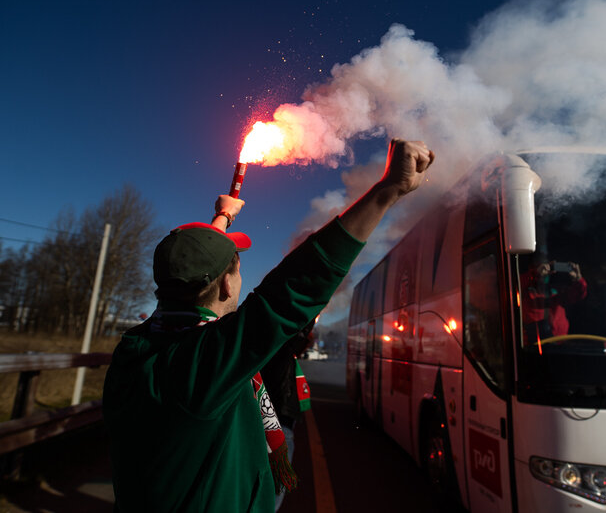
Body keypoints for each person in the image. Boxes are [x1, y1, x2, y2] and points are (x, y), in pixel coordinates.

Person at [103, 138, 434, 512]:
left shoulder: (137, 349)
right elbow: (292, 289)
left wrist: (222, 217)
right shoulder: (201, 365)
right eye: (237, 269)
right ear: (227, 283)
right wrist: (387, 190)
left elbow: (191, 266)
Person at [262, 320, 314, 511]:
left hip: (275, 423)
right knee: (274, 492)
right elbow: (297, 339)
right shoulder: (281, 348)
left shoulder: (272, 347)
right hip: (278, 426)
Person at [521, 259, 587, 342]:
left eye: (550, 265)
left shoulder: (556, 292)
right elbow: (514, 286)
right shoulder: (524, 291)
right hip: (533, 346)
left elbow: (576, 295)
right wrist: (534, 274)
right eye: (542, 264)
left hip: (557, 347)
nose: (546, 269)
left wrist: (578, 280)